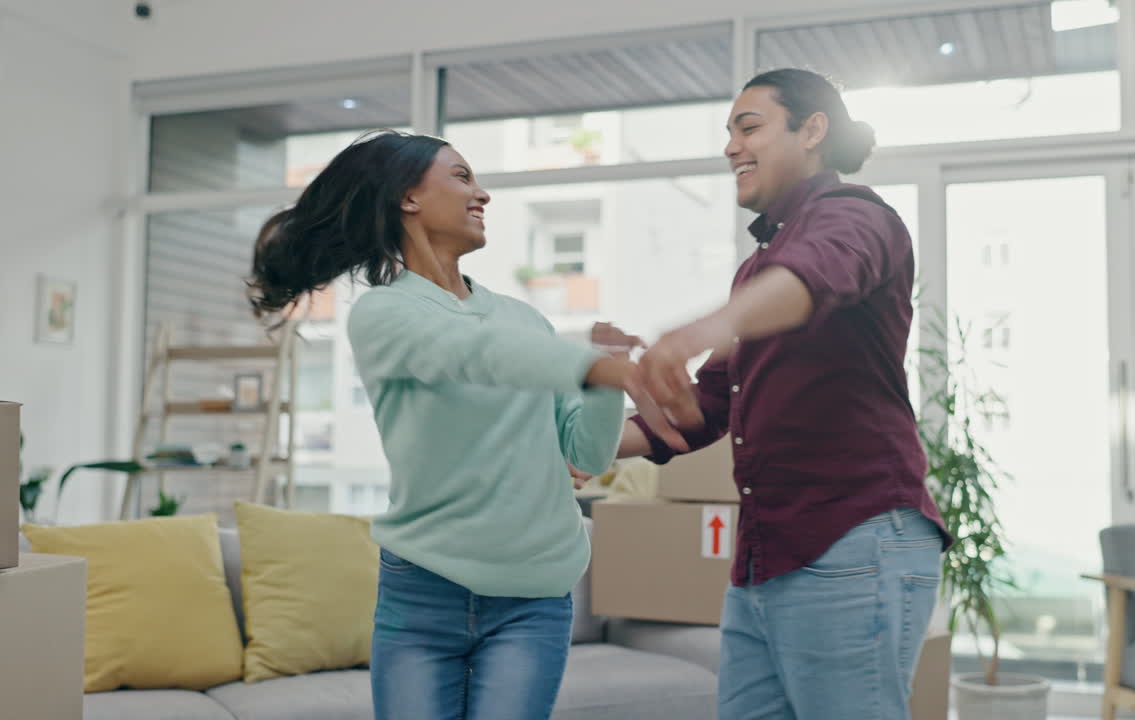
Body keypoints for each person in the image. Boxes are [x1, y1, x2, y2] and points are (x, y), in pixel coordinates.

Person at [246, 130, 681, 720]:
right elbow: (474, 354)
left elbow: (587, 451)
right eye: (462, 176)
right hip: (424, 592)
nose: (483, 195)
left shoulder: (523, 319)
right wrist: (594, 365)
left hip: (535, 595)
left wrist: (602, 383)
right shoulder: (385, 314)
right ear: (408, 197)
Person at [617, 69, 953, 719]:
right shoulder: (760, 272)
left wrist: (694, 331)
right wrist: (574, 443)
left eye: (750, 127)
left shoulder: (860, 219)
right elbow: (708, 405)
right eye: (728, 133)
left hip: (853, 538)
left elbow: (818, 276)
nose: (731, 147)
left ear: (812, 131)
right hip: (765, 559)